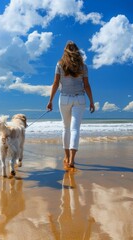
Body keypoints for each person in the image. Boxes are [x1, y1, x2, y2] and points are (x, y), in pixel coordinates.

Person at [47, 41, 95, 169]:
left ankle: (67, 157)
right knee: (75, 129)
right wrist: (91, 101)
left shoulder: (59, 65)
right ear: (77, 51)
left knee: (66, 128)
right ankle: (72, 160)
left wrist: (50, 100)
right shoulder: (83, 67)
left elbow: (56, 83)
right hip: (79, 99)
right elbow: (86, 85)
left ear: (65, 51)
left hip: (64, 99)